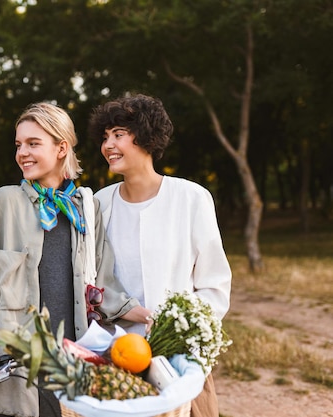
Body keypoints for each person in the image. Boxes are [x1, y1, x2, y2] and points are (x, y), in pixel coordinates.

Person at [0, 102, 149, 417]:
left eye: (33, 143)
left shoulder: (87, 209)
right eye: (19, 145)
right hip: (14, 370)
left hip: (70, 369)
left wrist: (149, 315)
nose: (22, 153)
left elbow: (103, 285)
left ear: (62, 148)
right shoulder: (4, 203)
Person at [89, 93, 232, 417]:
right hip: (117, 362)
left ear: (146, 137)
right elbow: (93, 282)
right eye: (105, 136)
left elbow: (214, 284)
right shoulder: (99, 203)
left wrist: (178, 336)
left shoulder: (191, 198)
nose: (108, 145)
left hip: (178, 364)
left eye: (119, 135)